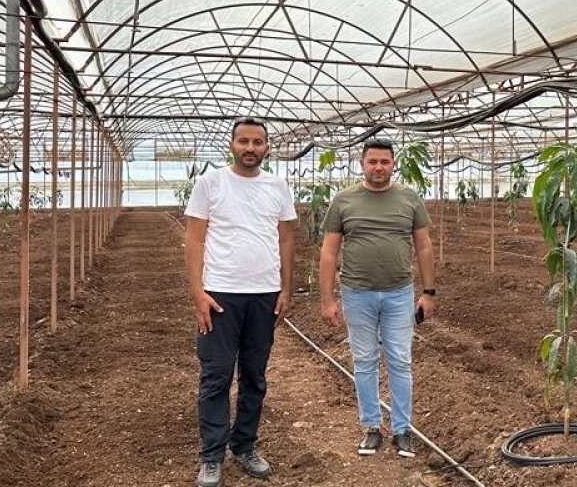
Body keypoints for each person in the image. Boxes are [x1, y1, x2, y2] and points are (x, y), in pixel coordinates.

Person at [185, 116, 297, 487]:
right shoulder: (210, 183)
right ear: (231, 144)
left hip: (263, 295)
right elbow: (195, 240)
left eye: (258, 142)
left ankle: (245, 445)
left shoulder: (278, 186)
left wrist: (284, 289)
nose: (250, 148)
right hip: (220, 295)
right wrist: (198, 292)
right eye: (244, 141)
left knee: (254, 376)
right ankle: (211, 456)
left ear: (267, 147)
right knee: (216, 377)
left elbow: (285, 240)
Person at [319, 138, 436, 459]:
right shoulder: (344, 201)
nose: (379, 167)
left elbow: (424, 246)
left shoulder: (409, 199)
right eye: (373, 162)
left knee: (400, 360)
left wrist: (428, 292)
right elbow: (329, 252)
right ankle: (371, 427)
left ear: (393, 164)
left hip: (399, 293)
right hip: (357, 294)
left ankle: (402, 430)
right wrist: (328, 299)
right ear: (362, 164)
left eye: (385, 162)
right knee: (365, 361)